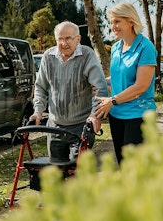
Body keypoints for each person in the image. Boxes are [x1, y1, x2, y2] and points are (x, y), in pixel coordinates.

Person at [30, 21, 108, 164]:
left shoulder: (87, 55)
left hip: (81, 126)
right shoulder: (48, 57)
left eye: (68, 38)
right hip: (55, 126)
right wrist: (38, 111)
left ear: (78, 39)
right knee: (56, 172)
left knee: (77, 173)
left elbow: (100, 88)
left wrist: (94, 115)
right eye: (60, 39)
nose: (64, 43)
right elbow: (40, 86)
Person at [95, 3, 158, 165]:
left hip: (138, 116)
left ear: (131, 21)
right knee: (123, 165)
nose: (112, 26)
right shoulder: (116, 48)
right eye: (111, 22)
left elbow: (141, 86)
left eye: (117, 22)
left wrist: (112, 100)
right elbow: (118, 77)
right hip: (116, 115)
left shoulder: (145, 47)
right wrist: (99, 82)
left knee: (136, 169)